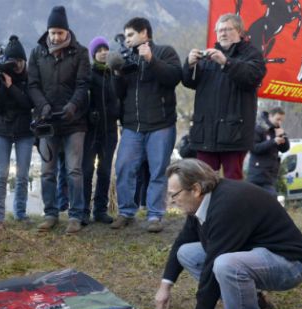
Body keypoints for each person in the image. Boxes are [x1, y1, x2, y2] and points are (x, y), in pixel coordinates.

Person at [155, 158, 302, 309]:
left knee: (226, 265)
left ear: (195, 189)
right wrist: (165, 286)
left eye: (173, 195)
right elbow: (182, 241)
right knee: (187, 252)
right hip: (258, 254)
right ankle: (255, 302)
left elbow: (214, 262)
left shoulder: (227, 205)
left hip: (290, 264)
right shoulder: (204, 201)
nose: (171, 201)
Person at [108, 17, 182, 233]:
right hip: (132, 126)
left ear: (144, 33)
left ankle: (155, 215)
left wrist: (151, 60)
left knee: (158, 171)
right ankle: (125, 212)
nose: (127, 39)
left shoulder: (165, 52)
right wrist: (116, 73)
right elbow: (119, 94)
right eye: (126, 36)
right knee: (123, 167)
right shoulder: (126, 58)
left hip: (161, 125)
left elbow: (174, 77)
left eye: (130, 34)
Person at [28, 5, 91, 234]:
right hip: (47, 122)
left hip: (74, 121)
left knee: (74, 170)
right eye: (53, 32)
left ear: (67, 32)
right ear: (48, 32)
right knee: (47, 170)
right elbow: (32, 84)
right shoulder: (37, 52)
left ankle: (75, 215)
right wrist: (42, 105)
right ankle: (50, 213)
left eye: (60, 33)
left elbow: (83, 84)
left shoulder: (80, 52)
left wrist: (73, 106)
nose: (56, 36)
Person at [182, 13, 266, 180]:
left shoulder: (252, 54)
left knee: (232, 181)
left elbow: (252, 77)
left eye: (228, 29)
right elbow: (189, 83)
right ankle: (207, 208)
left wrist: (226, 62)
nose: (223, 33)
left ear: (240, 32)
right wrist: (189, 65)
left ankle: (232, 207)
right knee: (204, 181)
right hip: (205, 131)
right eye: (220, 30)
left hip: (234, 133)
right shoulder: (208, 56)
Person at [0, 35, 34, 231]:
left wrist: (11, 87)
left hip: (25, 131)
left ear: (24, 60)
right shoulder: (0, 76)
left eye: (20, 61)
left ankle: (20, 213)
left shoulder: (30, 77)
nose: (17, 65)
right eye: (13, 61)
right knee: (1, 174)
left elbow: (28, 104)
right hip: (2, 130)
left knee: (22, 175)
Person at [81, 36, 119, 225]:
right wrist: (89, 113)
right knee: (87, 171)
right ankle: (83, 211)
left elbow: (119, 98)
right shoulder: (88, 74)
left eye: (106, 49)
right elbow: (82, 99)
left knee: (104, 171)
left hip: (110, 131)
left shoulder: (114, 75)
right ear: (93, 54)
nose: (103, 52)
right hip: (91, 131)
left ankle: (100, 210)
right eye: (99, 50)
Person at [246, 107, 289, 196]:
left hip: (270, 175)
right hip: (257, 175)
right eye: (278, 119)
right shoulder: (259, 128)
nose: (279, 122)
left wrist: (282, 135)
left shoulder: (277, 130)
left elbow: (285, 149)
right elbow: (254, 148)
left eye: (282, 120)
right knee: (260, 200)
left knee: (270, 201)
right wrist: (273, 141)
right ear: (270, 116)